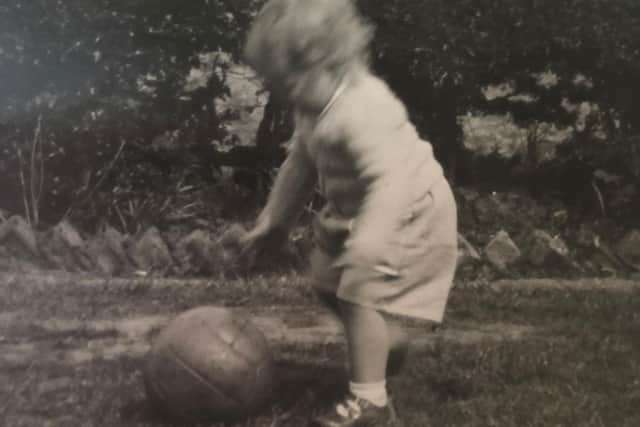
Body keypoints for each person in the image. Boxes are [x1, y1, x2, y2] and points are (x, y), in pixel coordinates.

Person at [241, 0, 458, 425]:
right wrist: (274, 221)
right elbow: (298, 164)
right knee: (324, 282)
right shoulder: (311, 105)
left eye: (290, 82)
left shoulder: (364, 109)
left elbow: (390, 181)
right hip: (358, 209)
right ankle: (385, 343)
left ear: (332, 62)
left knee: (357, 292)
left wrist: (370, 243)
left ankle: (371, 404)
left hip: (407, 210)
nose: (286, 94)